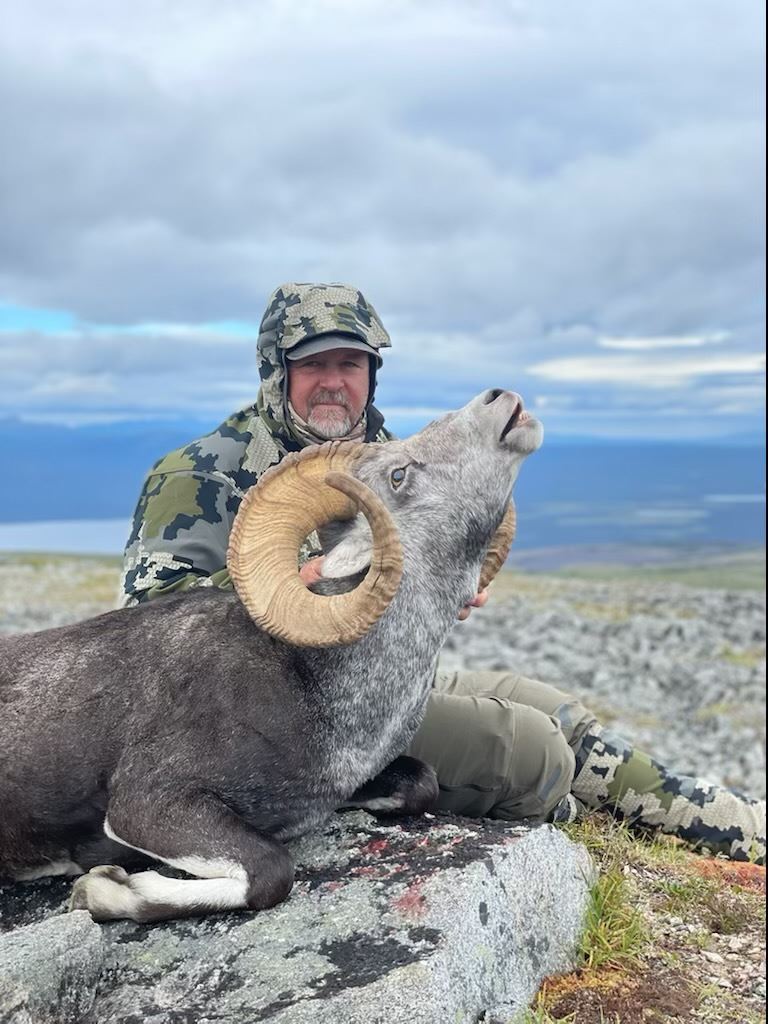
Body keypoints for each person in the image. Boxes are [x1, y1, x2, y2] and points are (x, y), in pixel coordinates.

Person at [121, 282, 766, 865]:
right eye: (312, 364)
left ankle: (739, 830)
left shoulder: (387, 452)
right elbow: (148, 637)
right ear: (275, 371)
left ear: (372, 374)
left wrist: (445, 585)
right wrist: (307, 580)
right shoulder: (199, 477)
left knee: (556, 710)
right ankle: (597, 836)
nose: (333, 382)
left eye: (350, 363)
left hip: (385, 680)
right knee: (533, 749)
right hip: (286, 721)